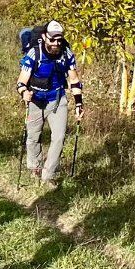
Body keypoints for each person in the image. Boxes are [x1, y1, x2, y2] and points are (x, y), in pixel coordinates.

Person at [17, 20, 83, 189]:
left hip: (57, 99)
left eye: (59, 40)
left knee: (59, 138)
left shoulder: (66, 54)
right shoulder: (34, 53)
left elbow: (74, 80)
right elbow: (21, 81)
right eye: (52, 39)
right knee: (33, 136)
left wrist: (78, 104)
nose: (56, 43)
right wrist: (24, 92)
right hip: (36, 100)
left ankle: (48, 175)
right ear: (45, 37)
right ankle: (35, 167)